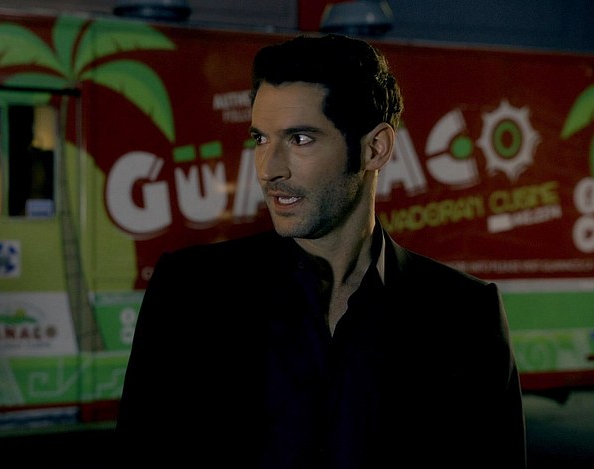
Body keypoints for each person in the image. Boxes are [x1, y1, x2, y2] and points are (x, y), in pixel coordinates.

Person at [115, 34, 527, 468]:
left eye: (300, 139)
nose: (268, 169)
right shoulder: (190, 291)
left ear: (375, 148)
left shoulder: (465, 313)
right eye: (260, 139)